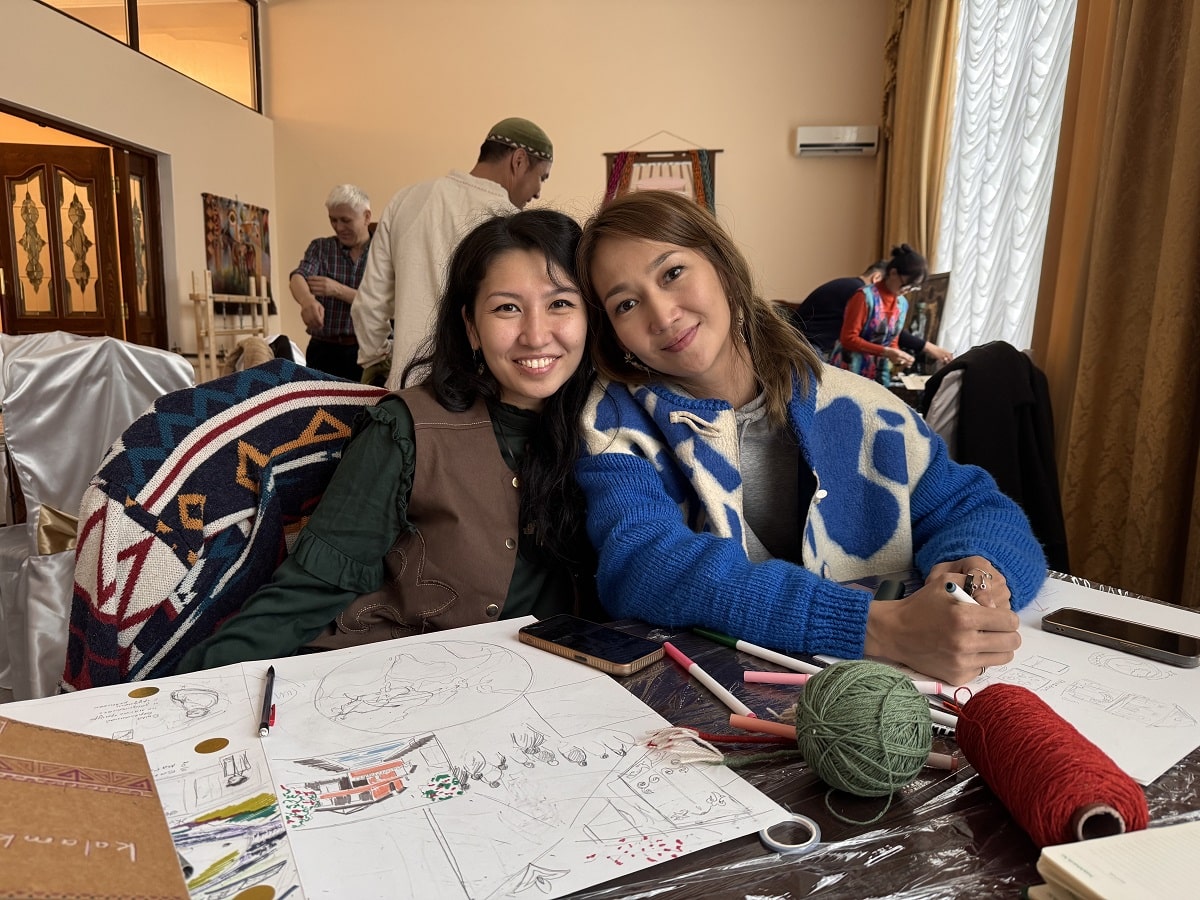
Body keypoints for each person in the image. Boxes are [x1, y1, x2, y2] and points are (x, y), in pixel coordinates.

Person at [572, 191, 1046, 686]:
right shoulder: (612, 424)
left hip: (891, 694)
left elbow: (978, 509)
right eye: (626, 304)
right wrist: (872, 627)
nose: (662, 314)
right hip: (716, 701)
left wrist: (980, 574)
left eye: (672, 273)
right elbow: (643, 563)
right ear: (614, 334)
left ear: (722, 267)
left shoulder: (861, 406)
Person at [177, 209, 599, 672]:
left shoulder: (609, 434)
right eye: (507, 308)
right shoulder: (404, 429)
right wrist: (180, 693)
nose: (535, 335)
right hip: (385, 683)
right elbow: (309, 590)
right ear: (471, 328)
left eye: (560, 303)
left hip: (534, 688)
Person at [353, 117, 556, 390]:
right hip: (476, 394)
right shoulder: (508, 222)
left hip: (404, 393)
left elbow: (369, 306)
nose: (539, 192)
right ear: (518, 161)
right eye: (541, 177)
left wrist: (379, 359)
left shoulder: (406, 200)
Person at [789, 260, 953, 366]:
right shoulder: (860, 293)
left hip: (802, 341)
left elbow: (889, 332)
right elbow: (884, 330)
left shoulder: (847, 285)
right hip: (806, 346)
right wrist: (929, 347)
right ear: (877, 278)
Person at [289, 184, 374, 381]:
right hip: (323, 351)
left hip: (369, 353)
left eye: (346, 220)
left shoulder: (383, 252)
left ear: (366, 217)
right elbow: (298, 277)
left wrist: (338, 290)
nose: (339, 227)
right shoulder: (320, 247)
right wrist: (307, 300)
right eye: (333, 220)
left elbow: (387, 303)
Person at [829, 244, 931, 382]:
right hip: (850, 369)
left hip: (878, 372)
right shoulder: (864, 297)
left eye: (914, 287)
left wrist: (898, 355)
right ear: (893, 273)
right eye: (906, 284)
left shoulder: (902, 304)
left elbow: (892, 339)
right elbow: (848, 339)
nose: (907, 290)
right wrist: (886, 351)